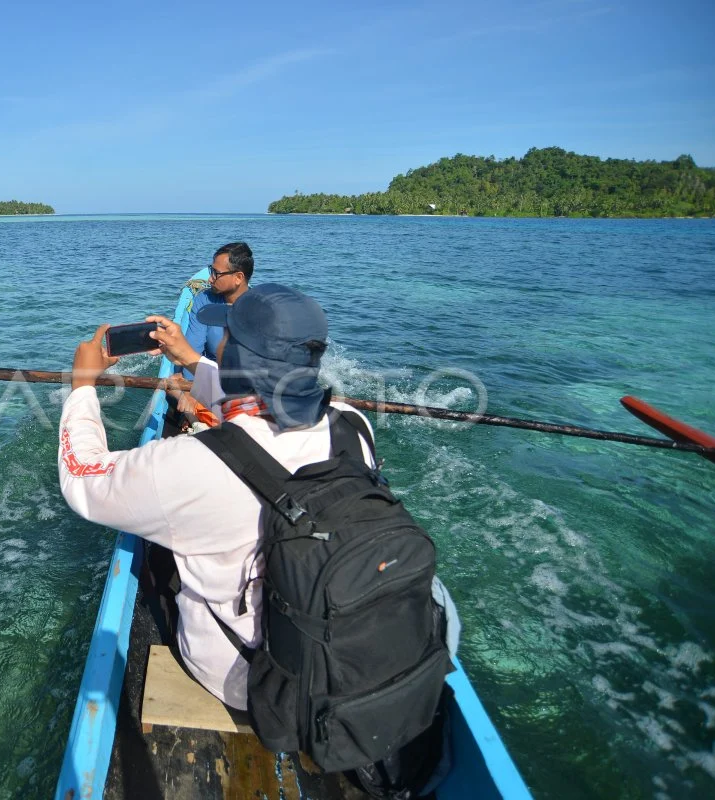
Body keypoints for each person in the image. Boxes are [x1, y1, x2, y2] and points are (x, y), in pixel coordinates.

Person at [58, 284, 458, 710]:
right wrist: (191, 360)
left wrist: (83, 387)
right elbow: (261, 401)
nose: (220, 343)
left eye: (226, 337)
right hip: (348, 653)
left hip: (248, 679)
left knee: (157, 552)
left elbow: (82, 479)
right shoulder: (354, 427)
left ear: (237, 355)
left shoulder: (190, 464)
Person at [181, 241, 252, 381]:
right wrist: (190, 390)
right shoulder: (204, 300)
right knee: (175, 384)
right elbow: (193, 350)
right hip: (208, 377)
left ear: (238, 278)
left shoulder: (260, 308)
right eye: (211, 271)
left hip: (244, 384)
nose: (210, 279)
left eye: (216, 274)